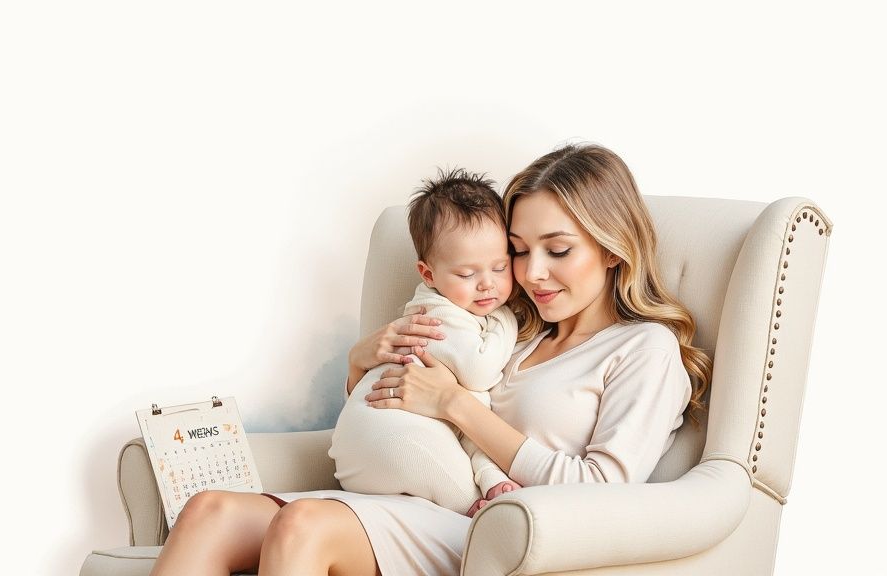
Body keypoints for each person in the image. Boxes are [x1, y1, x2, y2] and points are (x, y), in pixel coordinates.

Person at [148, 143, 712, 576]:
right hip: (421, 499)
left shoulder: (645, 349)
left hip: (504, 527)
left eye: (558, 250)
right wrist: (360, 362)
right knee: (209, 513)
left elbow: (602, 492)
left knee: (304, 526)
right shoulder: (508, 328)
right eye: (517, 250)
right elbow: (404, 414)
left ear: (612, 248)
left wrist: (456, 406)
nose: (532, 272)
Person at [328, 168, 519, 515]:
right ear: (429, 274)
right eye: (466, 273)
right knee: (472, 509)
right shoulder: (438, 316)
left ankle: (489, 477)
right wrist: (506, 318)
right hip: (394, 437)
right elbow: (480, 371)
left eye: (500, 267)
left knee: (472, 410)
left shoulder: (451, 308)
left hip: (362, 441)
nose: (487, 284)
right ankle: (473, 505)